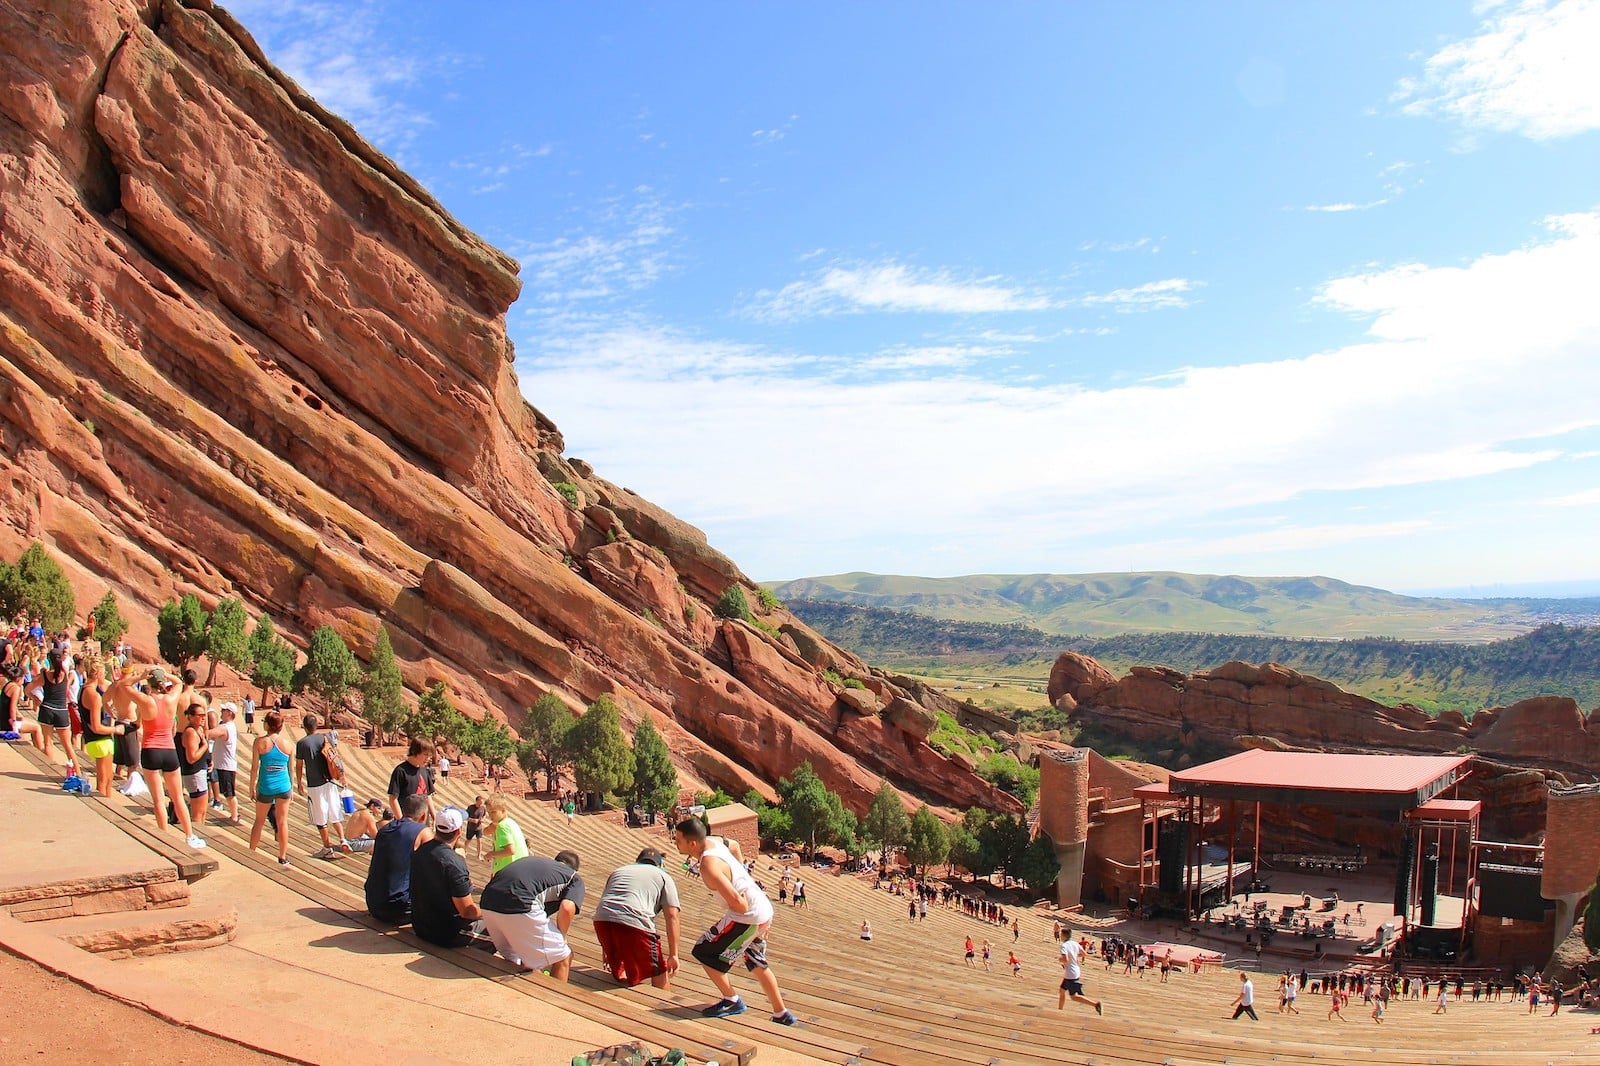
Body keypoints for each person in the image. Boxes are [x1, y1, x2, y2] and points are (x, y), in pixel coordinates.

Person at [672, 817, 796, 1026]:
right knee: (755, 961)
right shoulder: (714, 841)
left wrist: (742, 916)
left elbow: (739, 904)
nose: (675, 843)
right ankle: (781, 1013)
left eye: (678, 840)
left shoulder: (708, 866)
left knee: (703, 951)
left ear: (692, 844)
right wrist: (741, 875)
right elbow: (735, 845)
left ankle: (732, 1000)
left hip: (747, 916)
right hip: (763, 909)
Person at [106, 666, 205, 849]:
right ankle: (190, 835)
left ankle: (164, 836)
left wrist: (140, 676)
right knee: (177, 797)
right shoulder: (171, 699)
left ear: (149, 683)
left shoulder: (145, 700)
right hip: (168, 750)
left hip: (150, 750)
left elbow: (124, 685)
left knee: (158, 799)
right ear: (162, 683)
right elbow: (179, 682)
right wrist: (164, 674)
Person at [480, 848, 585, 977]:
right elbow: (567, 907)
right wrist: (561, 937)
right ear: (574, 869)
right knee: (563, 957)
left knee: (517, 960)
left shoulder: (536, 863)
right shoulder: (574, 877)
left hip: (487, 903)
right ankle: (553, 997)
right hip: (520, 903)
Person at [591, 847, 681, 988]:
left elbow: (607, 907)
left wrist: (606, 949)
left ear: (637, 861)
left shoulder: (619, 871)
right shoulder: (664, 876)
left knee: (621, 975)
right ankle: (661, 1006)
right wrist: (673, 955)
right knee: (658, 971)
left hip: (602, 922)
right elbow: (672, 916)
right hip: (635, 923)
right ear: (660, 864)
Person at [409, 808, 483, 947]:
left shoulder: (420, 851)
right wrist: (488, 913)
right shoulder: (454, 863)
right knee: (502, 927)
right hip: (446, 933)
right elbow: (467, 911)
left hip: (420, 926)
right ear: (459, 831)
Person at [364, 796, 428, 922]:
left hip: (373, 903)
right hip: (399, 909)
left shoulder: (384, 830)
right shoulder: (422, 831)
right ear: (423, 816)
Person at [294, 713, 345, 859]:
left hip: (315, 784)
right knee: (334, 812)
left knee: (320, 818)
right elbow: (335, 757)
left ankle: (327, 848)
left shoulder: (302, 743)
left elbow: (299, 766)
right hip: (330, 781)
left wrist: (299, 783)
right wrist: (342, 777)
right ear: (317, 725)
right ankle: (342, 840)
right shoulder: (326, 737)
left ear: (305, 727)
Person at [248, 709, 294, 865]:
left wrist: (251, 787)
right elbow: (291, 769)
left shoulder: (259, 742)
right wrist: (292, 789)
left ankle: (251, 852)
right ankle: (283, 856)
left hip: (266, 785)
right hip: (284, 785)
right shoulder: (288, 745)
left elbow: (254, 767)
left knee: (259, 821)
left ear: (268, 725)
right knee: (282, 822)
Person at [78, 657, 118, 797]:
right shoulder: (94, 695)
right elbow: (96, 727)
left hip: (95, 739)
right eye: (103, 673)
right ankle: (105, 805)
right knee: (104, 780)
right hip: (99, 739)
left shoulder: (83, 689)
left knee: (108, 779)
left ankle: (108, 802)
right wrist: (116, 729)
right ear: (97, 674)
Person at [31, 648, 76, 768]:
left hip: (46, 708)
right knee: (67, 745)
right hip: (61, 710)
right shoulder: (65, 673)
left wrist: (34, 698)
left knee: (48, 743)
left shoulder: (45, 674)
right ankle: (78, 771)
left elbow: (28, 689)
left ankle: (52, 768)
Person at [179, 703, 211, 831]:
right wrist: (205, 746)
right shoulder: (191, 732)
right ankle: (196, 836)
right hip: (194, 774)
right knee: (198, 813)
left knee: (203, 810)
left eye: (205, 715)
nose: (203, 718)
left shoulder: (199, 729)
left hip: (200, 772)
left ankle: (200, 834)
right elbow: (191, 758)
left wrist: (209, 760)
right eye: (200, 715)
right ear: (191, 717)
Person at [207, 704, 241, 825]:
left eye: (223, 710)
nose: (221, 711)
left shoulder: (226, 727)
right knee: (227, 791)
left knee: (229, 793)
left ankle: (235, 816)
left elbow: (210, 734)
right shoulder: (228, 726)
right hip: (223, 764)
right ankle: (234, 815)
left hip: (226, 765)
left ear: (229, 713)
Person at [387, 738, 436, 822]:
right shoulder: (400, 771)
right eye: (425, 754)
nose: (428, 758)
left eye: (429, 755)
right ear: (415, 752)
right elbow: (393, 799)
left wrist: (434, 817)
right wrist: (402, 822)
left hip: (423, 823)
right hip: (406, 823)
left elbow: (428, 795)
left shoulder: (424, 770)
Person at [1057, 933, 1103, 1015]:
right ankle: (1059, 1010)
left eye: (1061, 935)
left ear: (1064, 936)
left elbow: (1065, 959)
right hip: (1074, 972)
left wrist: (1060, 959)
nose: (1061, 937)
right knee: (1061, 991)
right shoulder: (1074, 943)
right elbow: (1084, 954)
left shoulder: (1064, 945)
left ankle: (1095, 1004)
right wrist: (1075, 956)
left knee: (1073, 997)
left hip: (1070, 975)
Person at [484, 793, 529, 874]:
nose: (490, 815)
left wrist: (491, 854)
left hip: (508, 872)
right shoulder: (510, 822)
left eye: (493, 812)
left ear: (503, 810)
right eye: (488, 812)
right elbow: (486, 831)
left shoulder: (502, 826)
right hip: (519, 869)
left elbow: (510, 851)